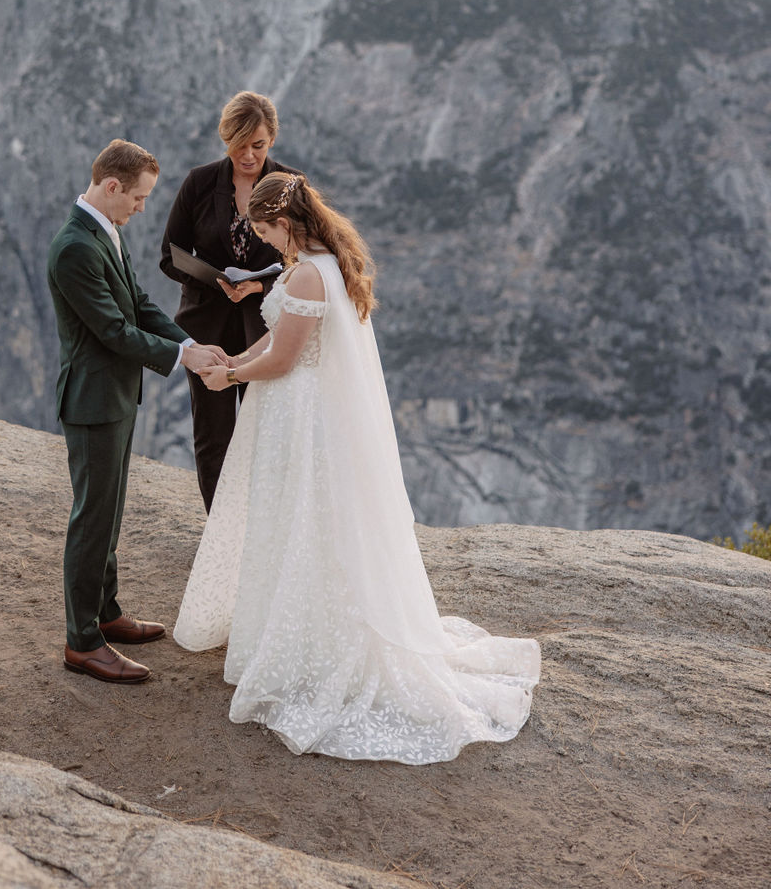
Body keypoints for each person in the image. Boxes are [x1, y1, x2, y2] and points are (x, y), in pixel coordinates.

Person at [173, 172, 541, 762]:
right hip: (295, 408)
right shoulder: (319, 264)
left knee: (306, 523)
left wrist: (230, 377)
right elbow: (275, 340)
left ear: (284, 224)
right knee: (300, 523)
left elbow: (289, 356)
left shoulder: (312, 273)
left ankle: (319, 642)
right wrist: (235, 356)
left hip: (303, 415)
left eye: (266, 231)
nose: (264, 242)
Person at [46, 139, 225, 685]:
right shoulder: (76, 246)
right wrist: (182, 357)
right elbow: (113, 330)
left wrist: (189, 344)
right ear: (111, 187)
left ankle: (106, 613)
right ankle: (82, 642)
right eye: (140, 198)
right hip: (94, 401)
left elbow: (141, 305)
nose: (143, 208)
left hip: (117, 397)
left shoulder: (106, 232)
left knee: (111, 510)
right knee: (92, 517)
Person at [160, 92, 298, 511]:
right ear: (226, 139)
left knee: (264, 432)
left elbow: (303, 257)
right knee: (213, 433)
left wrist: (261, 287)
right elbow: (169, 255)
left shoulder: (290, 185)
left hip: (268, 328)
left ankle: (260, 529)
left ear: (271, 139)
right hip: (205, 325)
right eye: (240, 144)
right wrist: (211, 279)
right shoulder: (200, 182)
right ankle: (219, 530)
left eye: (258, 145)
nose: (249, 154)